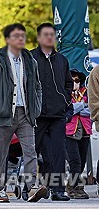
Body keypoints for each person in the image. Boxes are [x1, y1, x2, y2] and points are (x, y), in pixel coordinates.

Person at [0, 23, 46, 203]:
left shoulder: (30, 61)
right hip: (4, 114)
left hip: (26, 114)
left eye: (22, 36)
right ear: (8, 39)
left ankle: (32, 187)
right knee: (1, 153)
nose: (20, 39)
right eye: (16, 36)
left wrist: (36, 107)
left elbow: (37, 87)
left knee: (30, 151)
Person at [31, 23, 72, 201]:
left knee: (58, 154)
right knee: (32, 153)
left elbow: (68, 83)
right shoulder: (30, 58)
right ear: (39, 38)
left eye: (52, 35)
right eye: (45, 35)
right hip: (36, 115)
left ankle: (58, 190)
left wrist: (65, 99)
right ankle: (30, 187)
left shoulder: (62, 60)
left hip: (57, 115)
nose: (49, 38)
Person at [65, 69, 91, 199]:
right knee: (75, 161)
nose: (75, 83)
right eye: (72, 80)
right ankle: (72, 187)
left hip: (85, 130)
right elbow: (68, 110)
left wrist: (77, 107)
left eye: (77, 80)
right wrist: (82, 106)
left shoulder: (86, 92)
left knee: (82, 162)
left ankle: (75, 185)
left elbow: (91, 110)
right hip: (69, 132)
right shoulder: (64, 93)